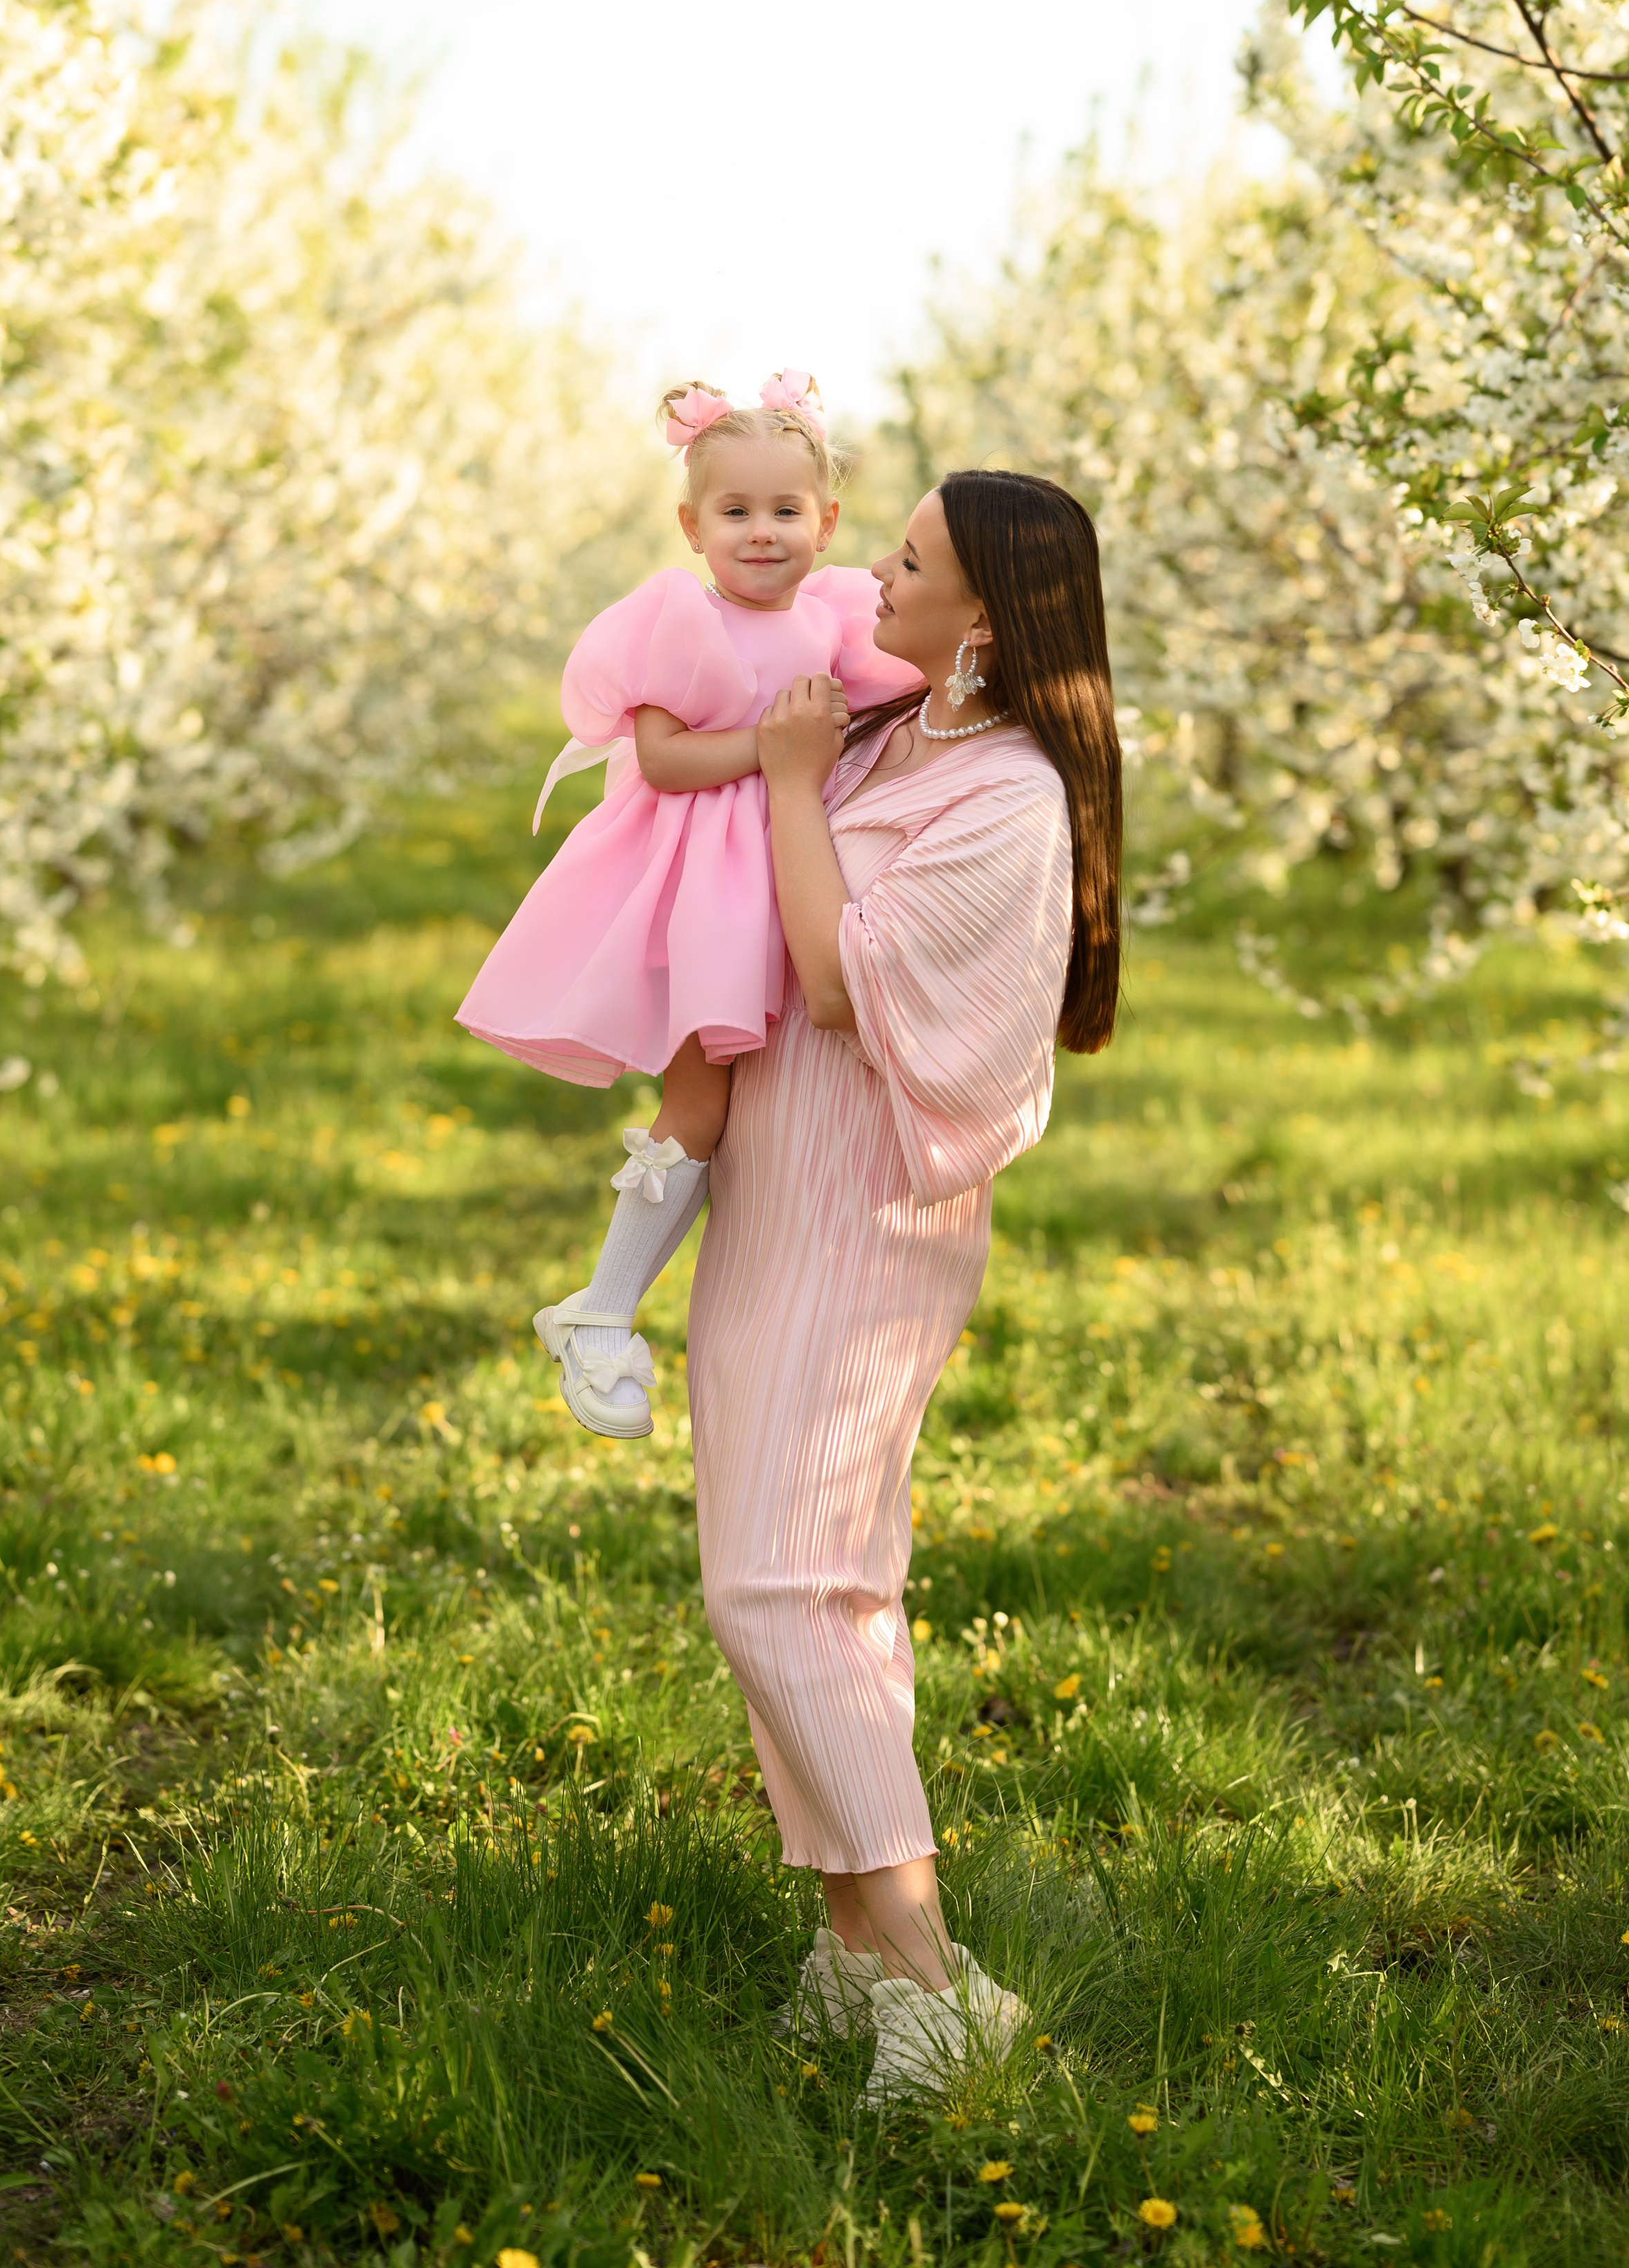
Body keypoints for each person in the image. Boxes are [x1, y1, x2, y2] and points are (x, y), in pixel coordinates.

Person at [686, 468, 1122, 2101]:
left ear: (989, 619)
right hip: (773, 1188)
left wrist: (794, 784)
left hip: (866, 1208)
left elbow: (834, 974)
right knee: (817, 1584)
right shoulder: (889, 737)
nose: (875, 564)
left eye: (911, 556)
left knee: (777, 1588)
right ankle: (851, 1954)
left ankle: (940, 1993)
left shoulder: (1006, 795)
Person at [455, 372, 919, 1440]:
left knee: (757, 1103)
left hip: (790, 869)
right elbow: (662, 761)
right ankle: (603, 1309)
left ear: (829, 520)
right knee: (702, 1104)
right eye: (736, 512)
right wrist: (777, 748)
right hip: (707, 885)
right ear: (691, 525)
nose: (763, 534)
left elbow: (903, 688)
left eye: (786, 511)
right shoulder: (679, 619)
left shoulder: (838, 615)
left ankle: (612, 1307)